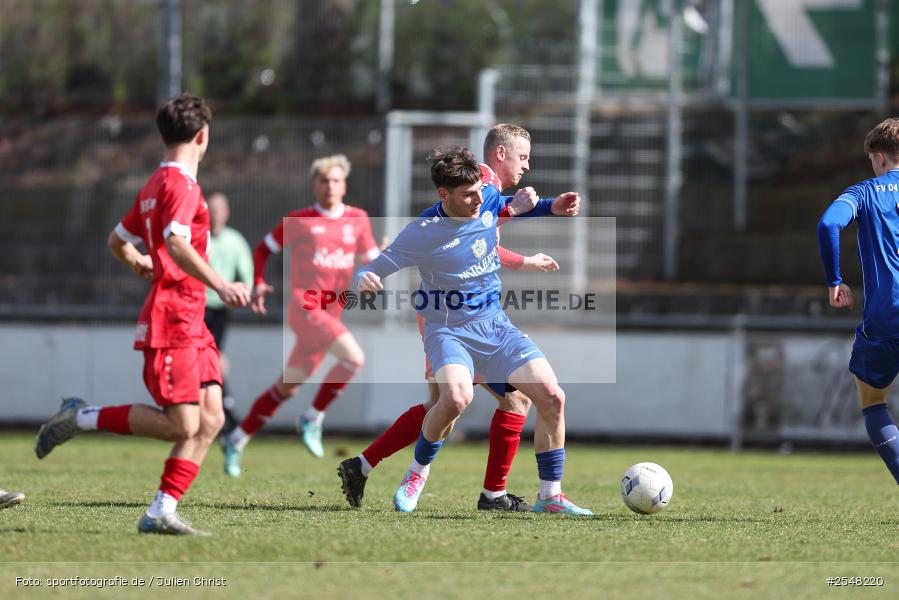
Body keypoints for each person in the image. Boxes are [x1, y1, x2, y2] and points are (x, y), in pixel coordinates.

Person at [34, 93, 250, 536]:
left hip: (192, 320)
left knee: (211, 418)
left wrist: (138, 261)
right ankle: (80, 417)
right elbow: (176, 242)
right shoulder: (182, 186)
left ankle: (161, 511)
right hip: (173, 318)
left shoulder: (154, 184)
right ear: (203, 137)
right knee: (182, 424)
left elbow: (117, 240)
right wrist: (221, 284)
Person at [354, 146, 592, 515]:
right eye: (468, 195)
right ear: (443, 194)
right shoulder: (422, 232)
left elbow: (504, 205)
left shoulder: (485, 197)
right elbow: (377, 265)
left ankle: (550, 496)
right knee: (454, 399)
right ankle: (416, 473)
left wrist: (551, 207)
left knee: (552, 396)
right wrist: (365, 277)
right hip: (448, 330)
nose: (478, 201)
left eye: (480, 191)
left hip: (495, 326)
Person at [220, 154, 379, 475]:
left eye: (336, 180)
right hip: (304, 309)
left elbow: (371, 263)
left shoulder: (358, 219)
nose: (330, 186)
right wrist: (259, 282)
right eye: (324, 180)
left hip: (331, 315)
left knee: (287, 386)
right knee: (353, 358)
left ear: (344, 185)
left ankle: (235, 439)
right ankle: (313, 418)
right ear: (314, 185)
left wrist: (375, 272)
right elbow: (262, 250)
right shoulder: (300, 220)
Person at [818, 117, 899, 489]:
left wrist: (835, 280)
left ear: (880, 158)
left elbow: (828, 225)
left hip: (885, 317)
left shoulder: (865, 192)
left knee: (872, 401)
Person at [204, 192, 254, 433]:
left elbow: (246, 273)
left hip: (221, 308)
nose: (214, 214)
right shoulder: (197, 237)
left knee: (215, 357)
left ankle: (224, 405)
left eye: (218, 209)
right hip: (197, 305)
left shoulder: (235, 241)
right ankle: (220, 406)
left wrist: (245, 292)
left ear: (226, 213)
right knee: (203, 358)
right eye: (210, 209)